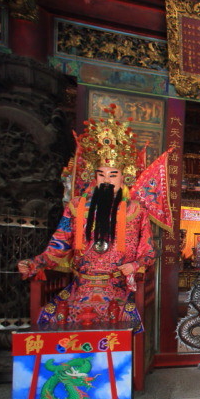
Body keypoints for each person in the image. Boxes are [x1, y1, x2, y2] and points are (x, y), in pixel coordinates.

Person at [18, 108, 156, 330]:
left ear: (124, 176)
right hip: (80, 287)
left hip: (117, 288)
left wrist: (135, 265)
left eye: (113, 174)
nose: (106, 180)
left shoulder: (136, 211)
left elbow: (148, 252)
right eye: (101, 174)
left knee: (123, 324)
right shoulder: (76, 208)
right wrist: (35, 263)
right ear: (94, 175)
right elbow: (58, 245)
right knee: (52, 321)